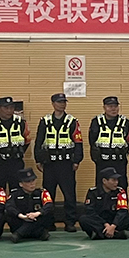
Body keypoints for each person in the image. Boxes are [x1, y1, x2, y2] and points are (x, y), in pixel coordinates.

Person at [34, 92, 83, 232]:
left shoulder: (72, 121)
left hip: (66, 163)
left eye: (64, 102)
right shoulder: (45, 121)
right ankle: (49, 222)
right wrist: (38, 159)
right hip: (49, 163)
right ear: (53, 104)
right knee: (48, 194)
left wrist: (77, 160)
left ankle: (70, 222)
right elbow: (39, 141)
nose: (62, 104)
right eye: (59, 102)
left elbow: (78, 142)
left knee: (69, 194)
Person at [0, 96, 30, 192]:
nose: (9, 111)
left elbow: (26, 141)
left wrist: (17, 152)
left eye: (11, 107)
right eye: (6, 108)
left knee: (17, 192)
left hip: (16, 164)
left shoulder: (21, 123)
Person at [89, 96, 129, 190]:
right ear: (104, 107)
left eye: (115, 106)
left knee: (121, 186)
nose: (113, 109)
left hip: (119, 162)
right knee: (101, 187)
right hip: (102, 162)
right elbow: (92, 141)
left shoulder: (125, 122)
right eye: (110, 106)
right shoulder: (96, 122)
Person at [81, 167, 129, 240]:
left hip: (114, 220)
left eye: (117, 180)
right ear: (104, 181)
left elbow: (122, 210)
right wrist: (105, 224)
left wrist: (113, 225)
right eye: (113, 180)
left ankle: (101, 234)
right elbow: (90, 211)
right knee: (83, 219)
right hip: (100, 221)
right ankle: (114, 234)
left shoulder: (120, 192)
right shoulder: (93, 192)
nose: (116, 182)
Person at [5, 168, 54, 243]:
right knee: (7, 213)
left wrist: (38, 213)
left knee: (47, 213)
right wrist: (21, 216)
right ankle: (39, 233)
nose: (32, 184)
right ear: (21, 184)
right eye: (28, 181)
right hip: (21, 222)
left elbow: (49, 205)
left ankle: (19, 234)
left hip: (37, 220)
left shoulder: (42, 193)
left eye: (33, 180)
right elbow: (9, 206)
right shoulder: (15, 194)